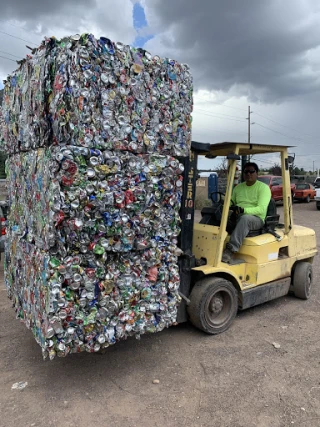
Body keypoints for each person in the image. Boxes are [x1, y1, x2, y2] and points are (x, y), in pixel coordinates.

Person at [222, 162, 271, 263]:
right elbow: (232, 202)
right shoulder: (238, 188)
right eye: (246, 172)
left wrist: (244, 210)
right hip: (239, 216)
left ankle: (231, 249)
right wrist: (225, 205)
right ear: (243, 174)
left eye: (251, 171)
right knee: (217, 216)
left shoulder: (263, 188)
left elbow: (261, 209)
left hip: (256, 219)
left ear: (257, 173)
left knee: (245, 219)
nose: (248, 174)